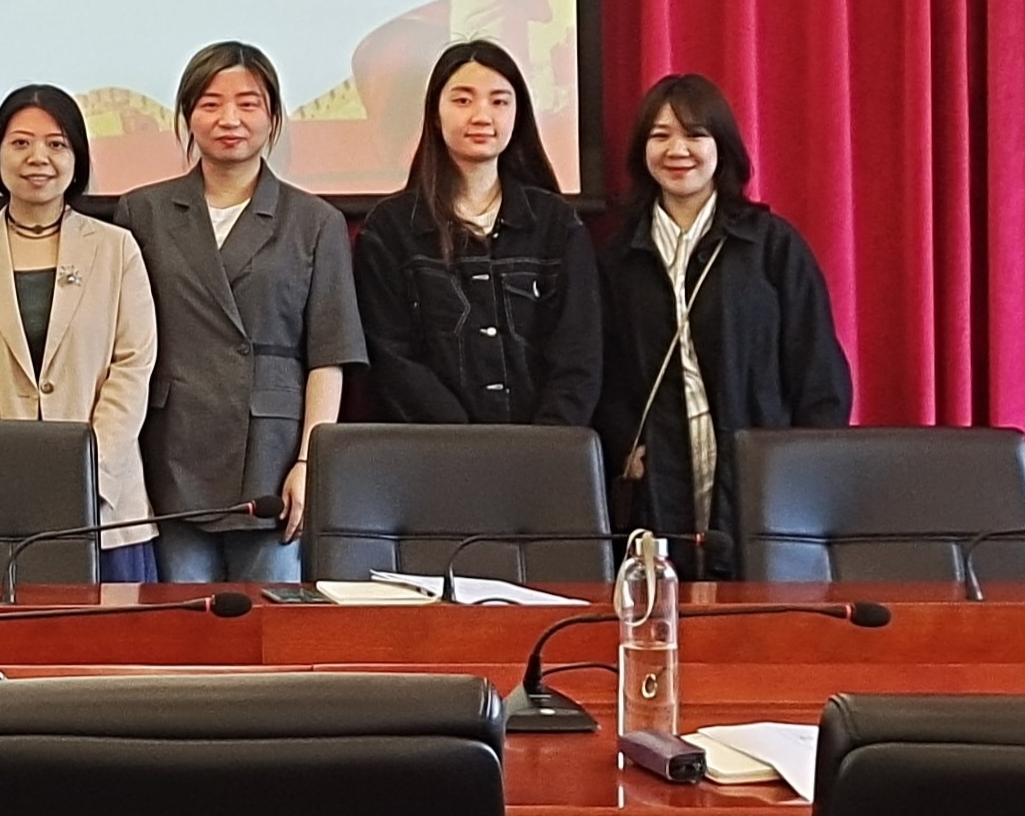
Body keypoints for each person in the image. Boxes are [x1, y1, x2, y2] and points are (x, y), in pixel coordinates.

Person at [114, 42, 364, 583]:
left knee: (269, 623)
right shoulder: (143, 212)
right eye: (211, 103)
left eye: (248, 104)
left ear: (273, 116)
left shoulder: (314, 221)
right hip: (172, 450)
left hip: (272, 458)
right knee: (184, 622)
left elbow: (329, 355)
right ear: (187, 115)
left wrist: (309, 463)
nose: (230, 119)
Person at [595, 73, 853, 578]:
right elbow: (603, 368)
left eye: (695, 134)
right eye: (660, 135)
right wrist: (624, 443)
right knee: (666, 598)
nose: (678, 150)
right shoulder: (618, 256)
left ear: (722, 146)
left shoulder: (770, 245)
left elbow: (818, 371)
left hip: (759, 475)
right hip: (657, 479)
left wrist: (803, 466)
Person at [0, 86, 160, 583]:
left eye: (56, 144)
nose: (38, 158)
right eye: (20, 143)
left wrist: (88, 470)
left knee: (112, 632)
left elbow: (133, 366)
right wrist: (5, 467)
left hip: (103, 503)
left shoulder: (117, 250)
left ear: (77, 159)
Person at [352, 39, 601, 426]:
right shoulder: (391, 230)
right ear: (435, 115)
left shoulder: (557, 224)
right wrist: (468, 445)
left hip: (547, 450)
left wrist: (547, 442)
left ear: (518, 114)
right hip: (434, 451)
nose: (482, 115)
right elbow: (392, 358)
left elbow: (579, 354)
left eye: (499, 101)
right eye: (463, 100)